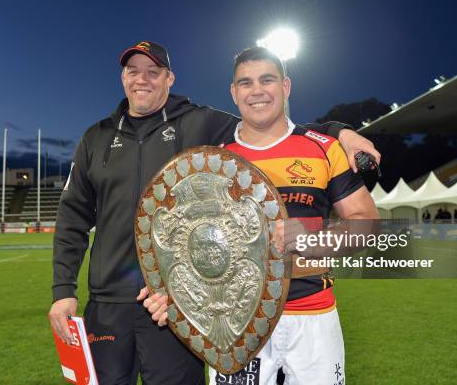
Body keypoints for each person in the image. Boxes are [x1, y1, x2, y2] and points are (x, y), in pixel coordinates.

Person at [48, 40, 381, 385]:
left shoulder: (202, 125)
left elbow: (271, 124)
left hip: (257, 310)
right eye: (133, 71)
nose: (142, 79)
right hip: (136, 307)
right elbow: (76, 218)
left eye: (153, 71)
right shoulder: (106, 139)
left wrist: (337, 131)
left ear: (169, 78)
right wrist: (65, 290)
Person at [144, 47, 379, 385]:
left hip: (312, 316)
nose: (256, 91)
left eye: (266, 80)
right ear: (233, 92)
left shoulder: (323, 148)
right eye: (245, 82)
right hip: (236, 325)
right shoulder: (213, 163)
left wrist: (314, 237)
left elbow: (366, 223)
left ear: (285, 86)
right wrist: (169, 292)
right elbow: (186, 242)